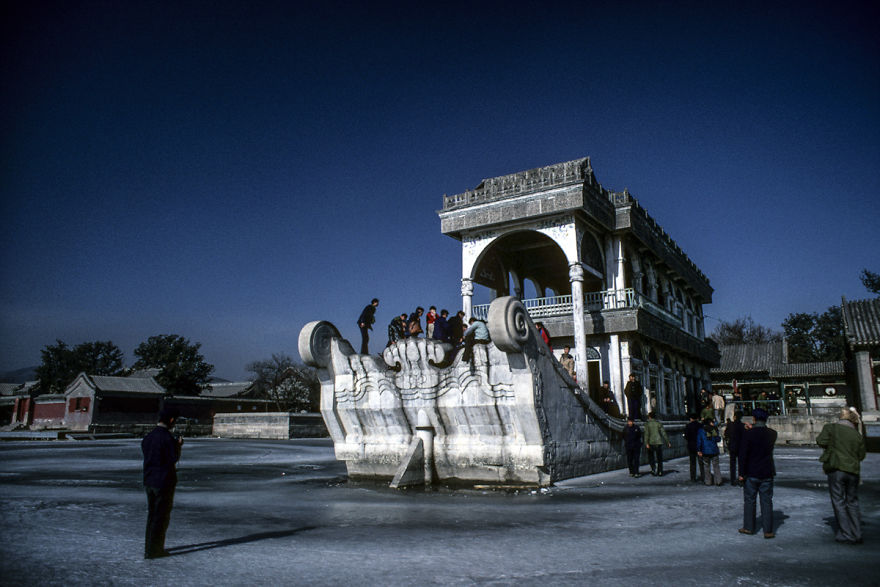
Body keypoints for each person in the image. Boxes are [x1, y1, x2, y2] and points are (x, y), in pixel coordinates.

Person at [816, 407, 867, 545]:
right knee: (852, 501)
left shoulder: (831, 428)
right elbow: (861, 455)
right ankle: (857, 533)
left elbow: (821, 441)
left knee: (838, 501)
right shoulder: (857, 435)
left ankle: (846, 533)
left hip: (837, 468)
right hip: (853, 471)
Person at [142, 406, 184, 559]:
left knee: (152, 516)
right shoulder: (167, 438)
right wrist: (178, 446)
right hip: (164, 482)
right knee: (161, 517)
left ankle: (149, 547)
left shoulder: (148, 437)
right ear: (171, 420)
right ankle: (155, 549)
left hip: (149, 480)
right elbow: (173, 458)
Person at [738, 408, 777, 539]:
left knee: (750, 500)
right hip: (767, 471)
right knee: (766, 501)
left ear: (754, 419)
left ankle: (749, 527)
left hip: (751, 471)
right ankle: (768, 530)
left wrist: (741, 472)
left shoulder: (748, 434)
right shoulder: (772, 433)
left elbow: (743, 455)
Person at [643, 412, 670, 476]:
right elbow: (663, 433)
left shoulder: (647, 424)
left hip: (651, 442)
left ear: (649, 417)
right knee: (659, 458)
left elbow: (646, 434)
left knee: (651, 457)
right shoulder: (658, 423)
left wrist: (646, 443)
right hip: (658, 442)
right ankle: (660, 471)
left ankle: (653, 469)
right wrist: (668, 442)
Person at [697, 418, 722, 486]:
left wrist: (699, 450)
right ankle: (718, 481)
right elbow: (718, 439)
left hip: (705, 451)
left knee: (706, 467)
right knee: (716, 466)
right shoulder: (714, 429)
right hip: (714, 450)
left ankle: (708, 481)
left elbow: (699, 441)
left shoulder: (701, 431)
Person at [725, 412, 746, 486]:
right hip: (741, 446)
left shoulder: (730, 425)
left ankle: (732, 479)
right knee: (742, 464)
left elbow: (726, 435)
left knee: (732, 464)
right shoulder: (743, 426)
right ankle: (741, 478)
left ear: (734, 417)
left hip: (732, 446)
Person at [684, 413, 704, 483]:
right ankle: (703, 476)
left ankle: (693, 477)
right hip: (700, 446)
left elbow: (686, 436)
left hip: (691, 445)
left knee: (692, 462)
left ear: (691, 419)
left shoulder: (688, 426)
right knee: (701, 462)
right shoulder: (700, 425)